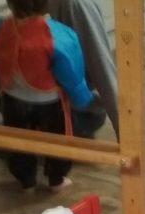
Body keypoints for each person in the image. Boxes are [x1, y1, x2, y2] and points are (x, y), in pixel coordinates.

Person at [0, 0, 95, 193]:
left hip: (13, 99)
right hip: (49, 101)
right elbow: (71, 72)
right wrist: (81, 96)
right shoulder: (58, 35)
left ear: (10, 3)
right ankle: (56, 179)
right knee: (57, 141)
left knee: (18, 142)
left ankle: (26, 181)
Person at [47, 0, 118, 139]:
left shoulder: (75, 5)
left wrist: (126, 134)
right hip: (60, 105)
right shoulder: (72, 5)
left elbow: (101, 67)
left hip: (75, 109)